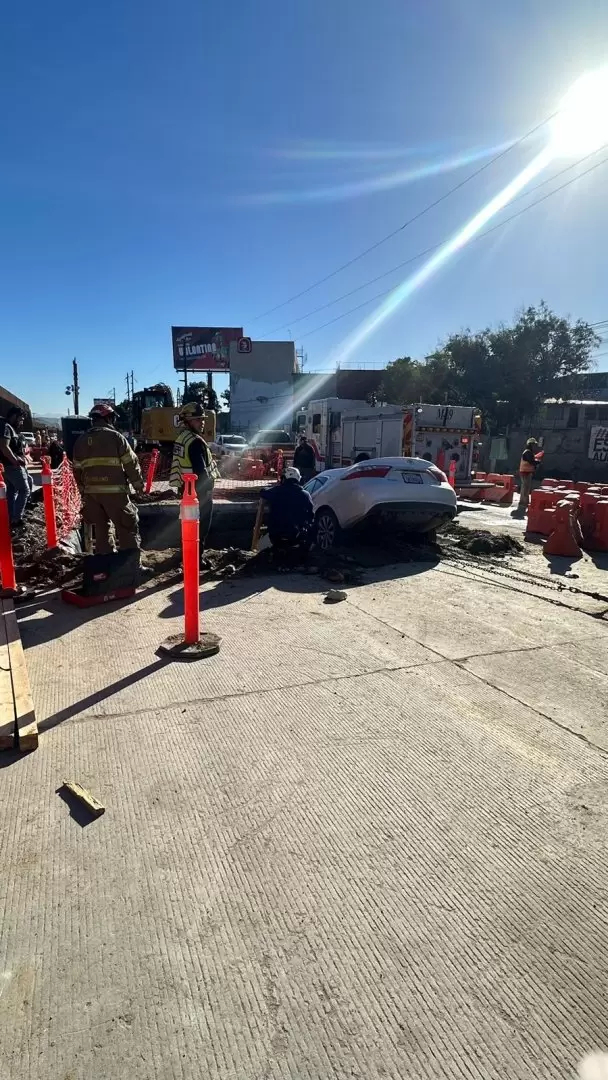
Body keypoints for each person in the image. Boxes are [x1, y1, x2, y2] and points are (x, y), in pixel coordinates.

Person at [73, 403, 144, 555]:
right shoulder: (116, 437)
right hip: (115, 495)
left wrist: (83, 491)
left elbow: (77, 470)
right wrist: (138, 485)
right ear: (108, 418)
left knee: (101, 531)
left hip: (92, 496)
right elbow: (131, 463)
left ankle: (106, 565)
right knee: (127, 528)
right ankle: (130, 566)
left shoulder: (80, 441)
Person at [170, 402, 216, 547]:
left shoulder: (182, 438)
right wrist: (208, 488)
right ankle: (197, 558)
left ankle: (187, 553)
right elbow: (200, 471)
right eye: (198, 419)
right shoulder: (195, 442)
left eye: (202, 419)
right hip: (199, 493)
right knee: (200, 527)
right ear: (188, 421)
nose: (202, 422)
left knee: (188, 524)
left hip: (186, 490)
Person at [261, 466, 315, 564]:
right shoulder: (305, 495)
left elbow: (263, 492)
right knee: (311, 528)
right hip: (296, 534)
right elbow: (311, 515)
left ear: (284, 478)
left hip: (276, 534)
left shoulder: (276, 491)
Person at [0, 407, 33, 529]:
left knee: (11, 491)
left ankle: (10, 518)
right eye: (21, 419)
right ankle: (16, 519)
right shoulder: (6, 427)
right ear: (14, 416)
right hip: (12, 466)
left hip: (7, 467)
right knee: (24, 490)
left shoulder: (6, 426)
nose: (22, 422)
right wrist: (16, 461)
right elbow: (4, 447)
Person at [512, 437, 539, 516]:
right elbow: (531, 461)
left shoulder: (529, 452)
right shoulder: (528, 452)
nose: (535, 446)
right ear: (530, 444)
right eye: (534, 444)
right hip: (525, 472)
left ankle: (524, 502)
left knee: (526, 488)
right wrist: (537, 462)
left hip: (526, 472)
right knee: (525, 488)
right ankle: (523, 503)